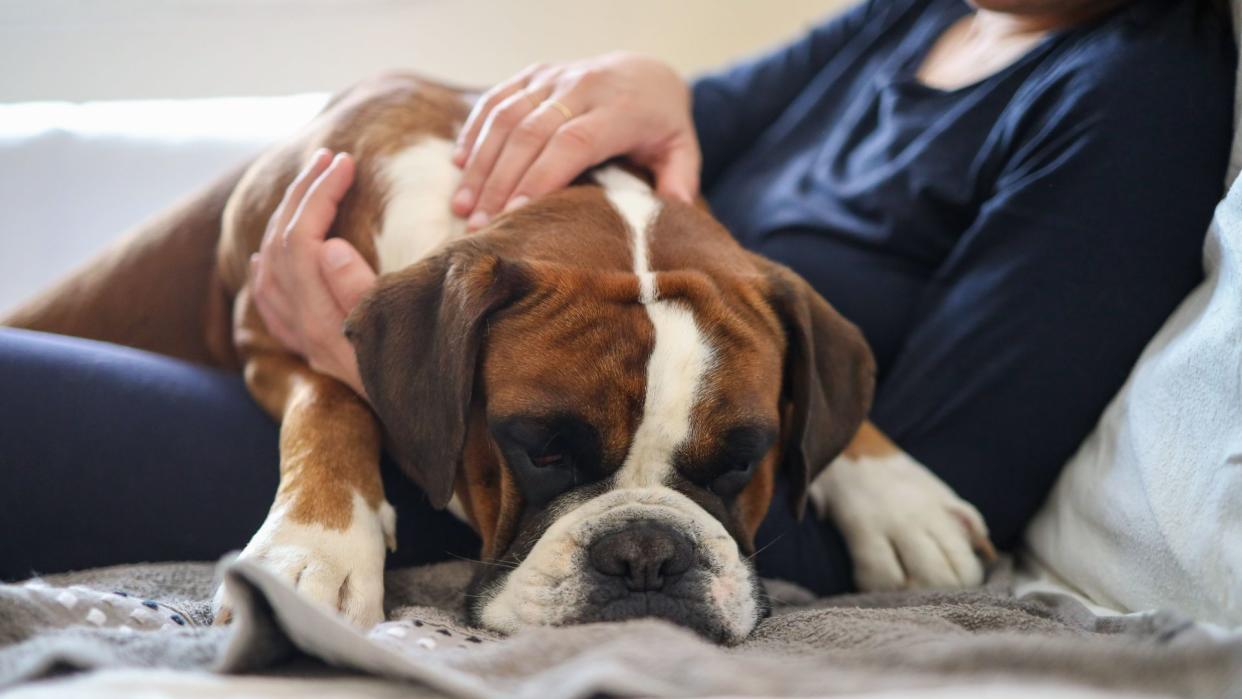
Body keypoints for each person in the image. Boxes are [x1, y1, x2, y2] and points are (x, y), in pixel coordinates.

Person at [0, 0, 1233, 596]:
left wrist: (847, 446)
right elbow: (652, 135)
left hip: (470, 475)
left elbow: (953, 491)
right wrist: (640, 79)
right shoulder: (914, 14)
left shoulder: (1133, 93)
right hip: (439, 421)